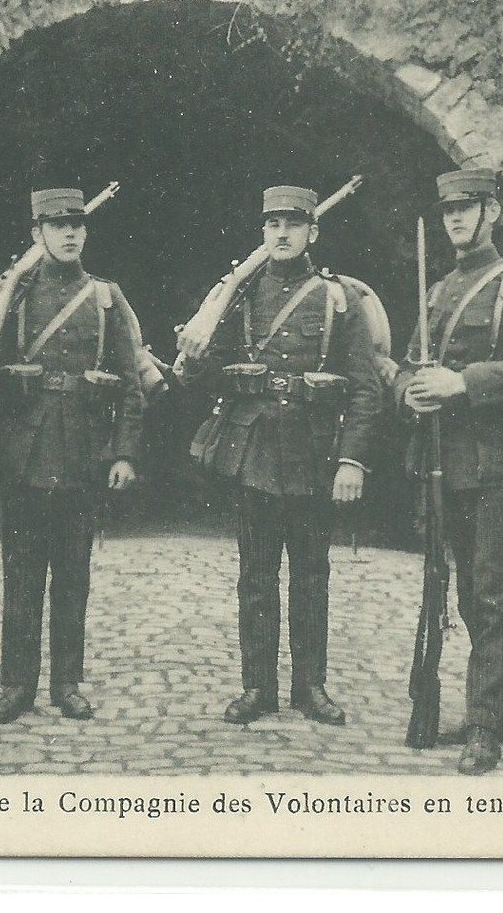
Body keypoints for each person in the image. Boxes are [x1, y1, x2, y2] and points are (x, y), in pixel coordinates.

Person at [183, 185, 383, 726]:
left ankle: (311, 686)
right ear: (263, 232)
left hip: (315, 452)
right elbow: (205, 372)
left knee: (312, 575)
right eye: (273, 224)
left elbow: (367, 388)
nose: (283, 233)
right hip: (253, 454)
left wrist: (351, 460)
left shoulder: (338, 299)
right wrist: (194, 351)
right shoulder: (239, 298)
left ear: (312, 232)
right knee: (256, 576)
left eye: (294, 224)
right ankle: (257, 687)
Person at [394, 168, 503, 774]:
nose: (456, 220)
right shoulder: (435, 293)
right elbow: (406, 366)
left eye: (468, 209)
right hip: (442, 464)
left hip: (498, 465)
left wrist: (461, 382)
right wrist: (408, 391)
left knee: (489, 595)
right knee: (455, 593)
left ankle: (485, 726)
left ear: (492, 214)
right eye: (448, 212)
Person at [0, 187, 146, 724]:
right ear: (37, 235)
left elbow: (131, 386)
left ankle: (67, 683)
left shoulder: (107, 298)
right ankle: (16, 685)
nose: (69, 234)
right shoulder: (9, 298)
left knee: (72, 576)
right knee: (19, 576)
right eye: (57, 225)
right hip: (20, 452)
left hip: (83, 453)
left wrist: (124, 454)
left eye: (77, 225)